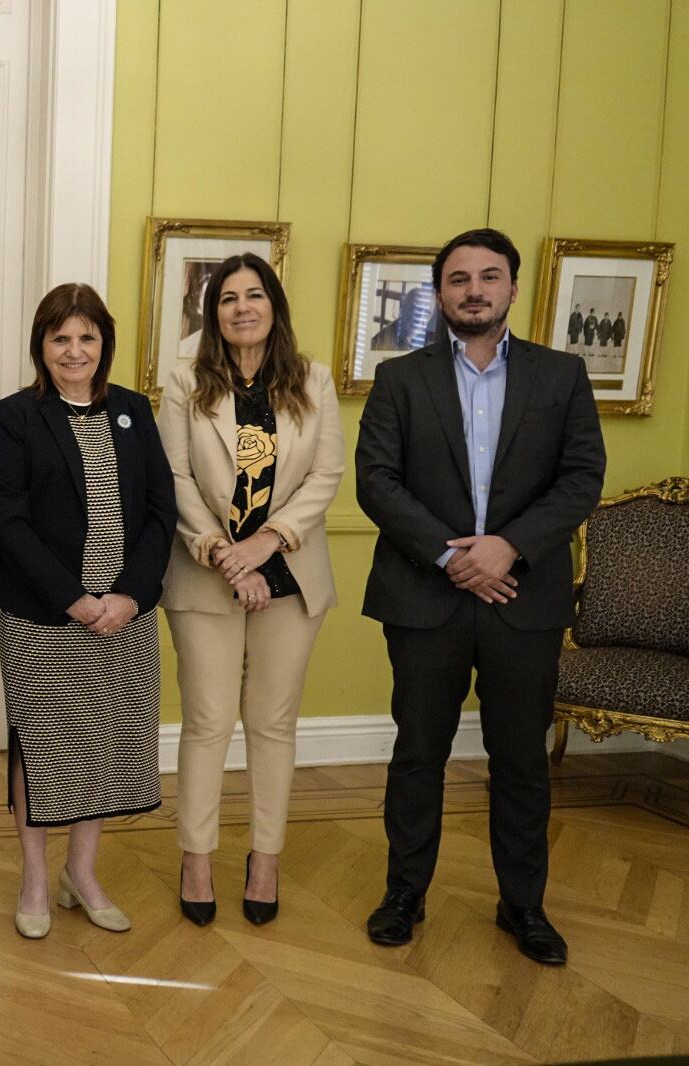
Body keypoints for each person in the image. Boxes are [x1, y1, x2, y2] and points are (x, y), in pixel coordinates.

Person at [356, 227, 604, 965]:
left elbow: (582, 478)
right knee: (418, 754)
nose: (474, 291)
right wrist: (452, 556)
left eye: (489, 277)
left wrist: (509, 546)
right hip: (423, 597)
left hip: (523, 598)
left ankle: (523, 905)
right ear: (440, 293)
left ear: (513, 288)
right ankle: (404, 894)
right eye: (459, 279)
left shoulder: (562, 375)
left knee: (521, 759)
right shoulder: (400, 378)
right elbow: (376, 481)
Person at [156, 253, 344, 928]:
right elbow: (175, 478)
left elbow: (325, 476)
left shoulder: (313, 381)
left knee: (272, 723)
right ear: (213, 314)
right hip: (206, 569)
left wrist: (266, 546)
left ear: (274, 306)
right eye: (228, 298)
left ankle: (265, 858)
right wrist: (224, 554)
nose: (242, 307)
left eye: (254, 295)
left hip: (290, 573)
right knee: (208, 721)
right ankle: (197, 858)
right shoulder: (185, 383)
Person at [0, 283, 175, 940]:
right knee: (43, 746)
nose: (73, 350)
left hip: (124, 616)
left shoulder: (133, 410)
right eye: (59, 337)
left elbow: (161, 512)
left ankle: (82, 874)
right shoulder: (18, 415)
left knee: (102, 742)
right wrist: (74, 598)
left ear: (104, 343)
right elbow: (9, 519)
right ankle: (35, 879)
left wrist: (129, 596)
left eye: (86, 337)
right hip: (44, 616)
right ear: (41, 345)